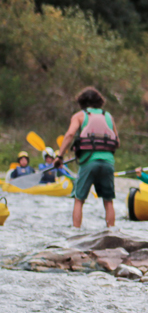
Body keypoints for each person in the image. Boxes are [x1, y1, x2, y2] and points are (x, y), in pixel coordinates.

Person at [55, 86, 119, 228]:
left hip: (88, 162)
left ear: (82, 102)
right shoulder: (108, 116)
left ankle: (76, 232)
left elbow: (70, 135)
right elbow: (117, 142)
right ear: (99, 101)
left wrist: (59, 156)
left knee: (79, 200)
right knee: (108, 201)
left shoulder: (79, 116)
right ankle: (112, 231)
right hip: (108, 162)